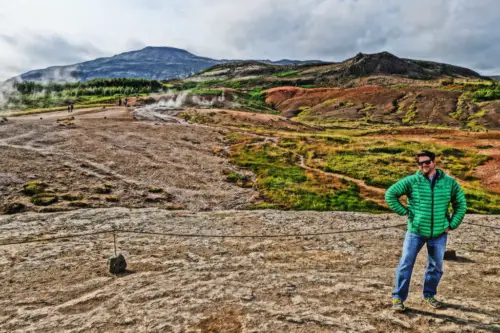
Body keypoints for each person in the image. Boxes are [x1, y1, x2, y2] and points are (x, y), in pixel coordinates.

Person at [385, 150, 467, 312]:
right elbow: (390, 194)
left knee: (436, 266)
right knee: (405, 264)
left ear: (434, 162)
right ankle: (398, 298)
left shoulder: (449, 182)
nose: (424, 165)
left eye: (427, 162)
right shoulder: (412, 181)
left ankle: (429, 295)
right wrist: (405, 212)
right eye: (420, 163)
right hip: (415, 231)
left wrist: (453, 224)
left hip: (439, 233)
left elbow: (460, 204)